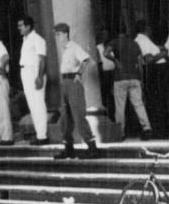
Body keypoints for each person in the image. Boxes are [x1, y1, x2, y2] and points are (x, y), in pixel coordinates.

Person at [53, 22, 99, 159]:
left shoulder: (73, 47)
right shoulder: (65, 49)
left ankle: (92, 147)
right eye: (56, 34)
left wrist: (79, 74)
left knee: (78, 115)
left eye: (59, 34)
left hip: (73, 81)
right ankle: (68, 148)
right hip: (65, 82)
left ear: (66, 34)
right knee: (65, 117)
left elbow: (86, 60)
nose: (57, 37)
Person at [107, 25, 154, 140]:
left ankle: (121, 132)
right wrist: (141, 79)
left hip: (120, 78)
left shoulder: (115, 42)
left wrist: (115, 60)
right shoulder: (134, 43)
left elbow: (105, 53)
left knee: (120, 107)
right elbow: (140, 62)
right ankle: (146, 128)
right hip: (135, 77)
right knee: (138, 104)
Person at [16, 15, 50, 145]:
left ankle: (43, 136)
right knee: (32, 105)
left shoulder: (37, 39)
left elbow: (42, 58)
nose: (19, 28)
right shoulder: (25, 40)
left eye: (21, 25)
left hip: (34, 72)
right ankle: (39, 134)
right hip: (26, 72)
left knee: (38, 104)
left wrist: (39, 76)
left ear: (28, 26)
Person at [95, 29, 116, 119]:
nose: (105, 37)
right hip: (104, 73)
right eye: (103, 35)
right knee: (106, 95)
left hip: (112, 73)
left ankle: (113, 114)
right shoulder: (97, 47)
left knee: (112, 95)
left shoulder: (108, 47)